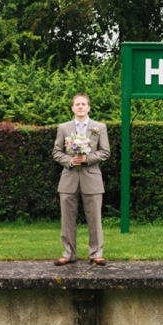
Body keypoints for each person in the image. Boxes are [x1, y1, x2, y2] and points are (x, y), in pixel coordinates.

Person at [52, 93, 111, 266]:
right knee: (67, 219)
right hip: (69, 179)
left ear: (88, 107)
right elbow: (56, 152)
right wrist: (70, 161)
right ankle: (69, 253)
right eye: (77, 104)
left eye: (83, 104)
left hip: (91, 179)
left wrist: (87, 159)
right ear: (72, 108)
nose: (80, 107)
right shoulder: (63, 128)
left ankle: (96, 254)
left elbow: (105, 152)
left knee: (94, 219)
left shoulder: (99, 127)